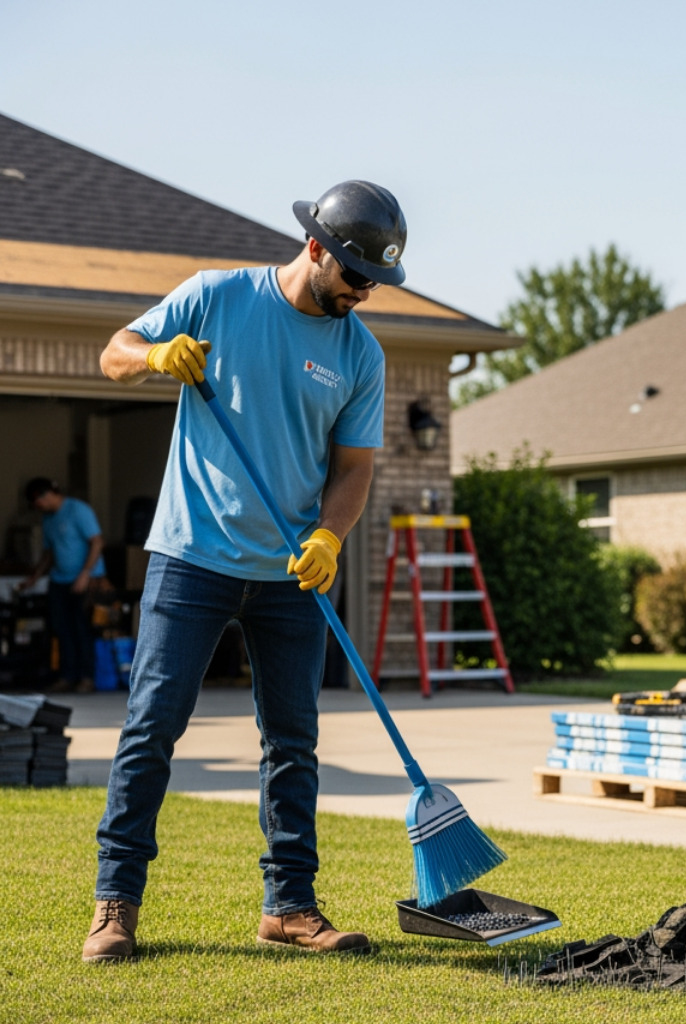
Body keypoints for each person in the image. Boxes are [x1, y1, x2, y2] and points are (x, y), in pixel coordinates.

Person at [83, 181, 404, 963]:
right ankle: (114, 904)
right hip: (192, 555)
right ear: (317, 249)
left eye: (376, 281)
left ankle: (289, 906)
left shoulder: (361, 353)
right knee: (152, 728)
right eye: (356, 275)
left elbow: (354, 469)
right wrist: (156, 353)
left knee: (293, 739)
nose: (364, 293)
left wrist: (330, 537)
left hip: (292, 573)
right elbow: (112, 355)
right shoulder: (218, 297)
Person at [20, 478, 106, 694]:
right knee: (61, 629)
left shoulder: (78, 510)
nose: (37, 507)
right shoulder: (47, 519)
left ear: (46, 495)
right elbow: (49, 553)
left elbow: (97, 542)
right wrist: (34, 578)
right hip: (59, 580)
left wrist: (85, 574)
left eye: (36, 502)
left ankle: (87, 677)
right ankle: (67, 676)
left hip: (84, 580)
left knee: (82, 628)